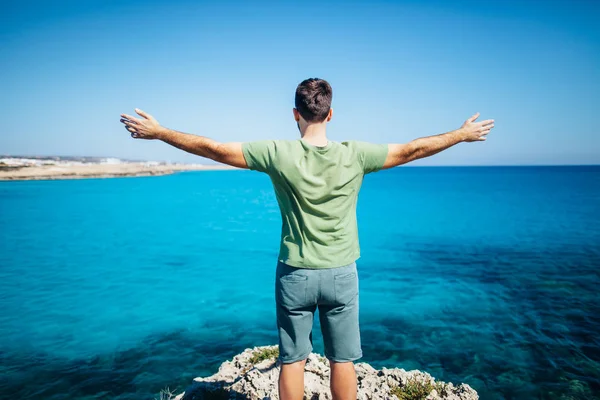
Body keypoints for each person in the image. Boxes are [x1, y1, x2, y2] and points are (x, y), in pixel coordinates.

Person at [119, 78, 494, 400]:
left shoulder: (277, 153)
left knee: (293, 358)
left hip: (295, 274)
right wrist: (461, 135)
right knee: (342, 360)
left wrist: (160, 132)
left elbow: (214, 149)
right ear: (330, 114)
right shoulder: (357, 155)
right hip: (341, 273)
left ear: (295, 113)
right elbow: (413, 149)